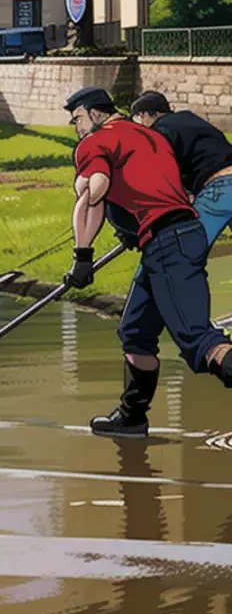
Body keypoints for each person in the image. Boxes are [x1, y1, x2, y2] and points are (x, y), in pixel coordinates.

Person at [63, 86, 232, 438]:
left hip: (169, 243)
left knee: (198, 339)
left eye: (77, 118)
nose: (74, 125)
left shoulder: (95, 143)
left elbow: (93, 194)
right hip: (173, 236)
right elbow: (155, 186)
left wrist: (82, 257)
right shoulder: (150, 136)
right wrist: (131, 226)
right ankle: (131, 417)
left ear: (95, 113)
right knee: (136, 332)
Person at [130, 90, 232, 247]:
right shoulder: (188, 117)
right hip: (224, 175)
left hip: (219, 185)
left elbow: (163, 172)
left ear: (144, 115)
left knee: (183, 247)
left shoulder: (159, 132)